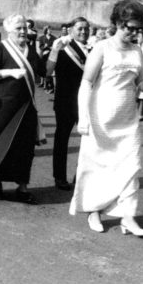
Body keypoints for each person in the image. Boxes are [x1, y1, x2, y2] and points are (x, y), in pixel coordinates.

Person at [70, 1, 143, 236]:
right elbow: (86, 84)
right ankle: (94, 211)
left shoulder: (136, 50)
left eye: (139, 29)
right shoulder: (101, 48)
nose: (135, 33)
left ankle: (128, 217)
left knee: (131, 167)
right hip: (100, 119)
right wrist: (83, 117)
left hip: (128, 120)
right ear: (118, 23)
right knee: (97, 166)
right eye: (130, 28)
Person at [0, 14, 45, 203]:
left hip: (25, 106)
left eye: (24, 28)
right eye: (18, 28)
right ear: (8, 31)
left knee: (25, 147)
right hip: (2, 107)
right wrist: (9, 72)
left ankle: (22, 188)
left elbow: (43, 72)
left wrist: (54, 51)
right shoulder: (1, 47)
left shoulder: (30, 50)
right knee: (0, 144)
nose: (23, 31)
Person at [47, 16, 91, 191]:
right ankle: (59, 177)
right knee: (62, 140)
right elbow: (46, 71)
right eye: (80, 28)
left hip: (86, 103)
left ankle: (81, 175)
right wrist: (54, 51)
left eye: (86, 28)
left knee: (88, 141)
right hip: (65, 102)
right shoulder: (63, 48)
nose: (83, 32)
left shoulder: (93, 49)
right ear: (71, 30)